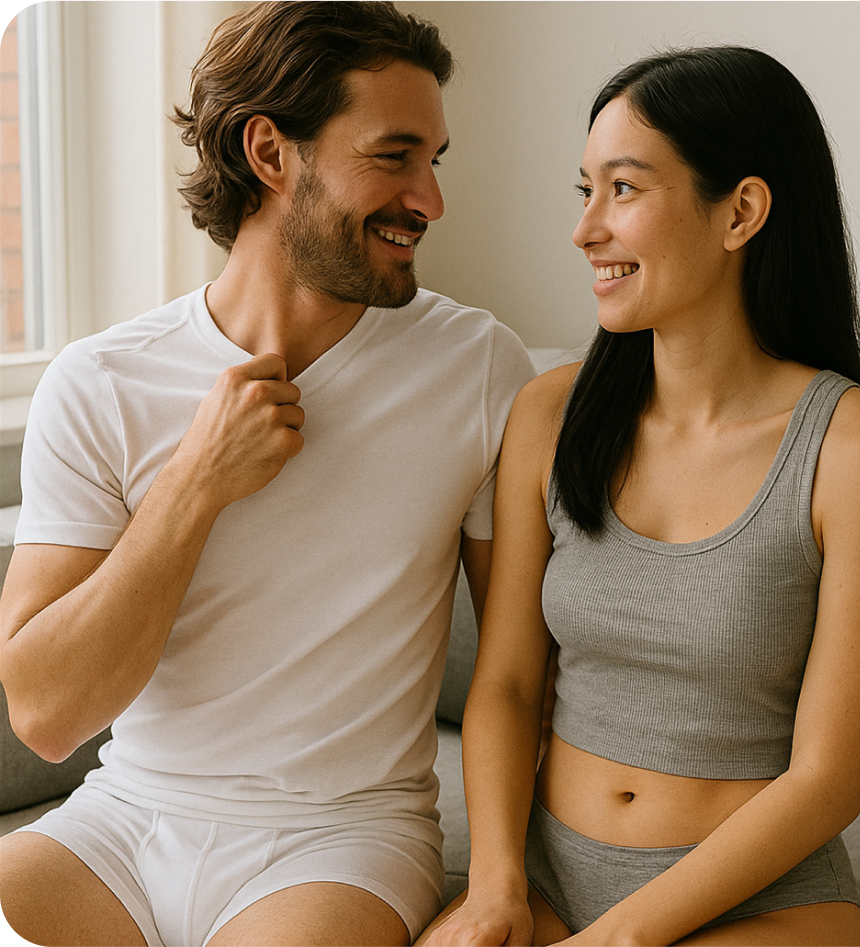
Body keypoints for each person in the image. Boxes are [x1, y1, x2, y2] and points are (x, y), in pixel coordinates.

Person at [0, 1, 534, 944]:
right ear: (271, 153)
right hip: (123, 820)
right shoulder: (100, 380)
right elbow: (45, 714)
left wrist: (504, 883)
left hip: (346, 839)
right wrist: (194, 484)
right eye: (394, 156)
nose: (430, 201)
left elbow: (522, 666)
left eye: (433, 162)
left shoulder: (477, 366)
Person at [417, 45, 860, 947]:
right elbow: (503, 683)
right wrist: (494, 883)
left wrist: (622, 937)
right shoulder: (551, 414)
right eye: (585, 191)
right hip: (546, 879)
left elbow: (827, 780)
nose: (585, 231)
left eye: (624, 189)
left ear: (741, 212)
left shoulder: (858, 451)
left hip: (760, 904)